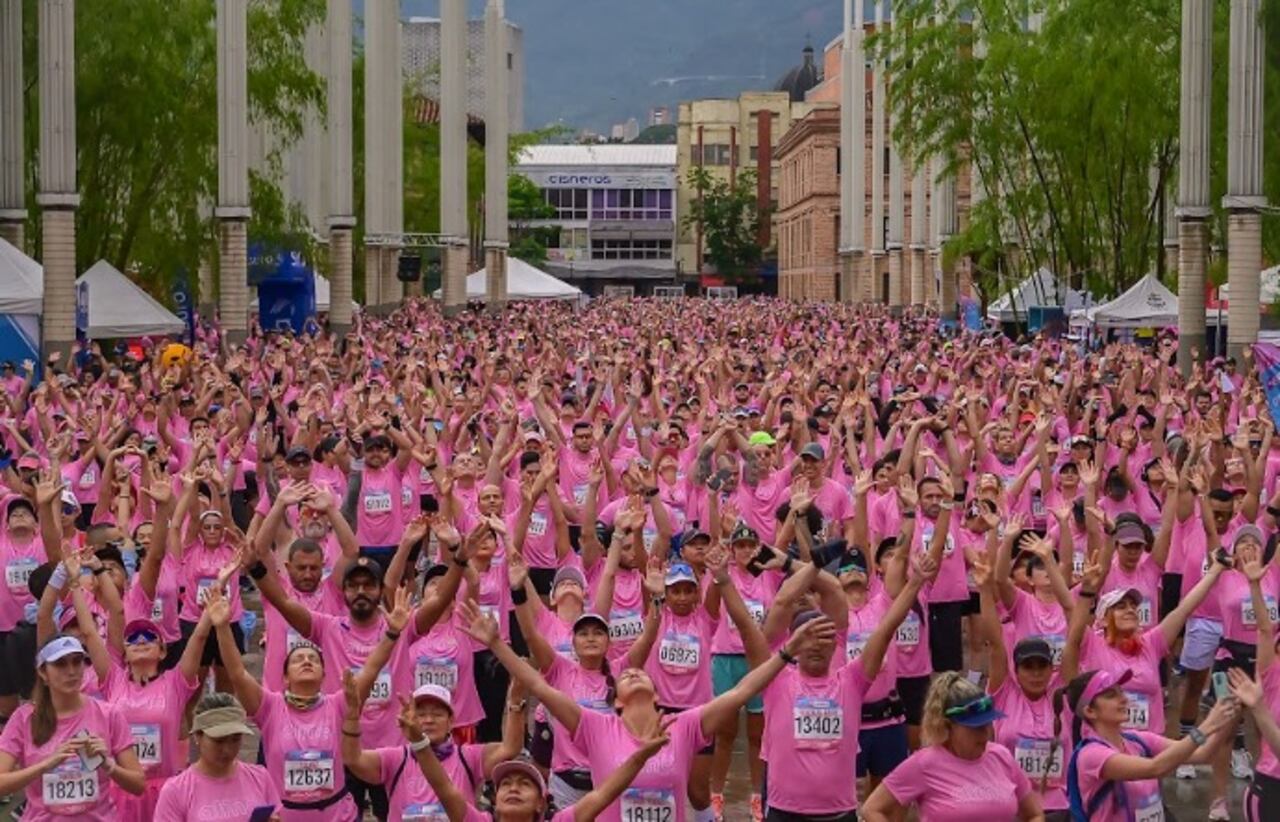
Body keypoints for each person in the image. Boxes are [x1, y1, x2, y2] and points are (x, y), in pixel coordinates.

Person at [458, 593, 834, 822]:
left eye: (641, 674)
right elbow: (538, 683)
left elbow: (742, 692)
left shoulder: (683, 726)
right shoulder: (595, 726)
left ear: (657, 695)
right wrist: (496, 645)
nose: (634, 673)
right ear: (616, 700)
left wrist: (786, 653)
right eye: (627, 676)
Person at [211, 582, 410, 821]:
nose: (306, 661)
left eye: (313, 659)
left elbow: (372, 668)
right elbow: (237, 673)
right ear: (284, 676)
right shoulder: (269, 706)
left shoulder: (338, 704)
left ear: (323, 675)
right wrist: (222, 627)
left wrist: (392, 634)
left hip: (337, 814)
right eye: (298, 659)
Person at [1052, 669, 1237, 822]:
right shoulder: (1091, 754)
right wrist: (1206, 726)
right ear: (1090, 711)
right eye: (1111, 695)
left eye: (1121, 692)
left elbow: (1204, 755)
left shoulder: (1136, 739)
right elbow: (1155, 767)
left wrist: (1227, 720)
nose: (1123, 699)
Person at [862, 672, 1045, 821]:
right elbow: (872, 809)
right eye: (975, 727)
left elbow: (1034, 814)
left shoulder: (1002, 757)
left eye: (988, 724)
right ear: (949, 726)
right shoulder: (924, 763)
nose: (985, 733)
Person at [0, 634, 146, 818]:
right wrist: (45, 765)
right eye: (60, 664)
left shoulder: (109, 714)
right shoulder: (23, 719)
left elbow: (138, 784)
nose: (71, 671)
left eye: (77, 662)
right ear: (43, 672)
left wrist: (108, 765)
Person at [152, 692, 282, 822]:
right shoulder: (176, 791)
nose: (227, 749)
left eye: (235, 739)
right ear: (198, 736)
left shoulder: (260, 778)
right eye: (218, 741)